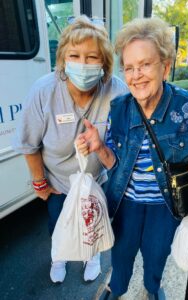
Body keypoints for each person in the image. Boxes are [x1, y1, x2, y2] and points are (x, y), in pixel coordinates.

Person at [76, 17, 188, 299]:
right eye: (129, 67)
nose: (136, 74)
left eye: (145, 65)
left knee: (156, 257)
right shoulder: (119, 109)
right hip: (126, 203)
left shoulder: (187, 106)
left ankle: (153, 289)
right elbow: (115, 162)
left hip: (164, 207)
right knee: (121, 257)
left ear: (165, 67)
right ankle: (117, 289)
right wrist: (99, 147)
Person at [13, 15, 128, 284]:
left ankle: (92, 257)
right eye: (74, 55)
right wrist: (40, 184)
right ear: (63, 59)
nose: (83, 64)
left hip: (96, 179)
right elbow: (29, 144)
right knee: (59, 225)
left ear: (104, 63)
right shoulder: (44, 91)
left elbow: (125, 140)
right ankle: (59, 256)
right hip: (58, 181)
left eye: (92, 57)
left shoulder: (116, 91)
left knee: (93, 223)